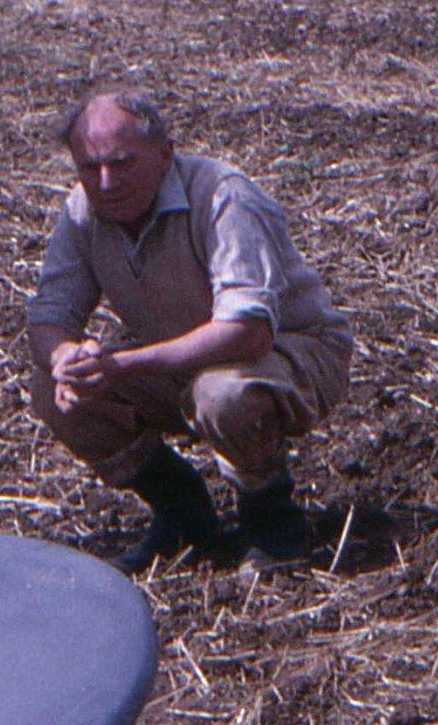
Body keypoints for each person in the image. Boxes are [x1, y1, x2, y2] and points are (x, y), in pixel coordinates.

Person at [26, 91, 354, 574]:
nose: (106, 182)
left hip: (293, 352)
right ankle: (182, 513)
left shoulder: (223, 196)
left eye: (121, 163)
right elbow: (49, 312)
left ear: (164, 154)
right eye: (89, 168)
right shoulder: (84, 209)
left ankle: (273, 522)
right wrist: (64, 358)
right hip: (181, 359)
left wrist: (123, 364)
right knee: (53, 391)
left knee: (224, 393)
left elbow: (249, 332)